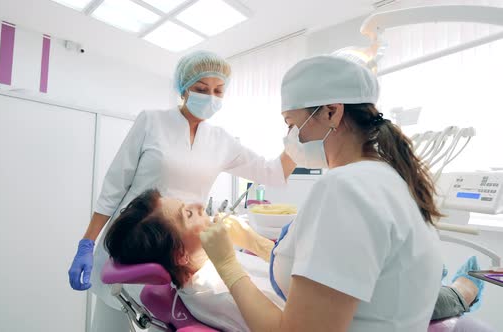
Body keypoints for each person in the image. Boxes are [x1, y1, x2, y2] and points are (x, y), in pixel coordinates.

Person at [199, 55, 445, 331]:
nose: (291, 136)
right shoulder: (390, 179)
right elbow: (329, 267)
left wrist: (228, 265)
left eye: (291, 124)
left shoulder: (345, 188)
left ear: (331, 112)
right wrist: (255, 242)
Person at [67, 51, 296, 332]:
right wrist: (87, 244)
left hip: (176, 252)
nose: (210, 96)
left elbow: (272, 171)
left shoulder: (222, 140)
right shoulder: (151, 122)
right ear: (184, 88)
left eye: (218, 90)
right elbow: (114, 187)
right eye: (201, 89)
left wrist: (301, 134)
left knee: (160, 322)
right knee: (110, 321)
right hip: (132, 242)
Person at [105, 189, 484, 332]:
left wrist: (249, 242)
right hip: (344, 314)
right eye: (186, 214)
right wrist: (231, 262)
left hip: (314, 290)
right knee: (416, 291)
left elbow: (279, 273)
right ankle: (462, 292)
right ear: (180, 253)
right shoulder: (213, 287)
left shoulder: (206, 268)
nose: (197, 204)